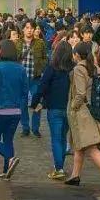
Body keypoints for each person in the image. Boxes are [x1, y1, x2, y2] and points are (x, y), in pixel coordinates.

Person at [65, 41, 100, 190]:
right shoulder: (94, 68)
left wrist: (73, 107)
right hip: (94, 110)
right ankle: (75, 175)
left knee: (90, 146)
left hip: (83, 113)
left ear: (76, 55)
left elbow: (80, 93)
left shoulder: (78, 69)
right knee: (80, 145)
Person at [0, 39, 28, 179]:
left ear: (1, 51)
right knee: (8, 139)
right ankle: (7, 170)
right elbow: (25, 91)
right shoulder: (21, 69)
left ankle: (10, 158)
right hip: (16, 110)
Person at [34, 37, 74, 180]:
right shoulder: (73, 68)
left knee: (56, 139)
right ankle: (60, 166)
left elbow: (42, 86)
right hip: (68, 108)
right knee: (63, 138)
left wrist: (36, 102)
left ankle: (59, 168)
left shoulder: (52, 68)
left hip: (54, 108)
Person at [19, 20, 48, 138]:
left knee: (36, 103)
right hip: (21, 79)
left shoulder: (40, 43)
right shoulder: (17, 43)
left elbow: (45, 58)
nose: (29, 30)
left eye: (31, 28)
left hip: (35, 78)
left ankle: (35, 128)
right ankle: (25, 128)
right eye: (27, 27)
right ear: (23, 29)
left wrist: (41, 68)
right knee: (22, 104)